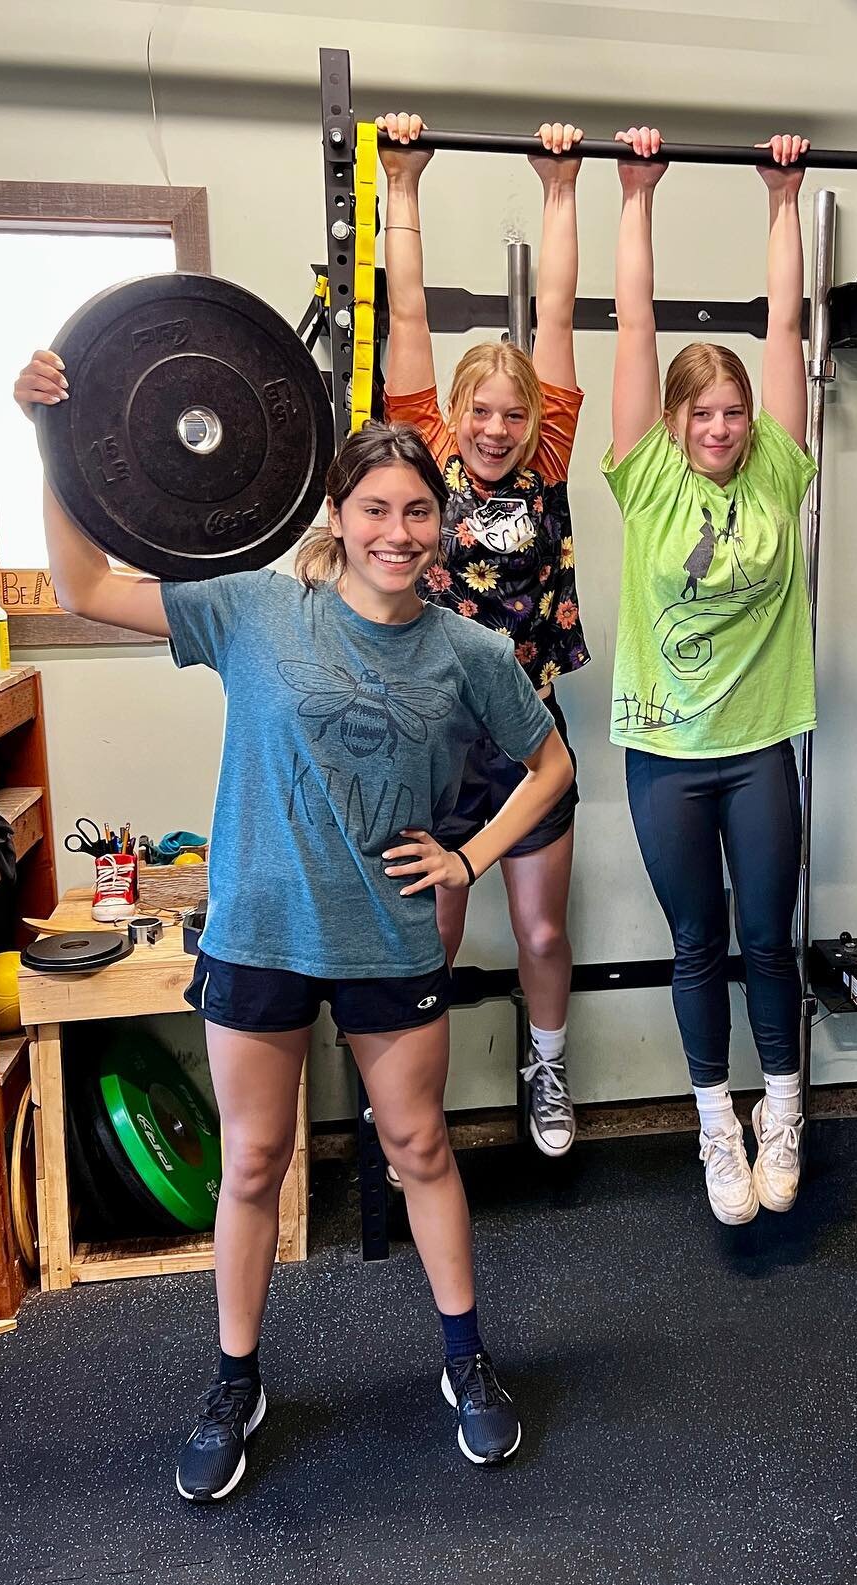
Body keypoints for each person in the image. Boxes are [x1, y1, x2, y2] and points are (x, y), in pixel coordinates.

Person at [16, 349, 574, 1494]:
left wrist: (468, 851)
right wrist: (50, 442)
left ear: (443, 522)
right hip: (260, 929)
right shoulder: (258, 608)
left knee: (421, 1147)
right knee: (256, 1160)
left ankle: (465, 1361)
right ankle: (236, 1378)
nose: (400, 529)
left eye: (419, 509)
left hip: (387, 934)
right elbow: (81, 587)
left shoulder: (469, 650)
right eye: (377, 507)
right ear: (340, 513)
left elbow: (551, 762)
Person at [604, 127, 817, 1226]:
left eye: (734, 410)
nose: (724, 425)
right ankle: (714, 1124)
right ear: (677, 422)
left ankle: (783, 1104)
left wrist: (783, 200)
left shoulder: (779, 467)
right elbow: (635, 326)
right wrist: (636, 193)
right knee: (697, 941)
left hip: (758, 747)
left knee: (768, 936)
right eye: (705, 412)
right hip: (665, 753)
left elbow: (786, 324)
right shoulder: (644, 481)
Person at [376, 111, 589, 1158]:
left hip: (526, 742)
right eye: (482, 411)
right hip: (431, 739)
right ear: (452, 414)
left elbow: (558, 319)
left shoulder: (547, 459)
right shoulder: (422, 463)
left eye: (514, 411)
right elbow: (406, 310)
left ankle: (547, 1069)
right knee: (436, 930)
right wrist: (401, 182)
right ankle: (416, 1103)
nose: (499, 428)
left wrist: (561, 187)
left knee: (543, 929)